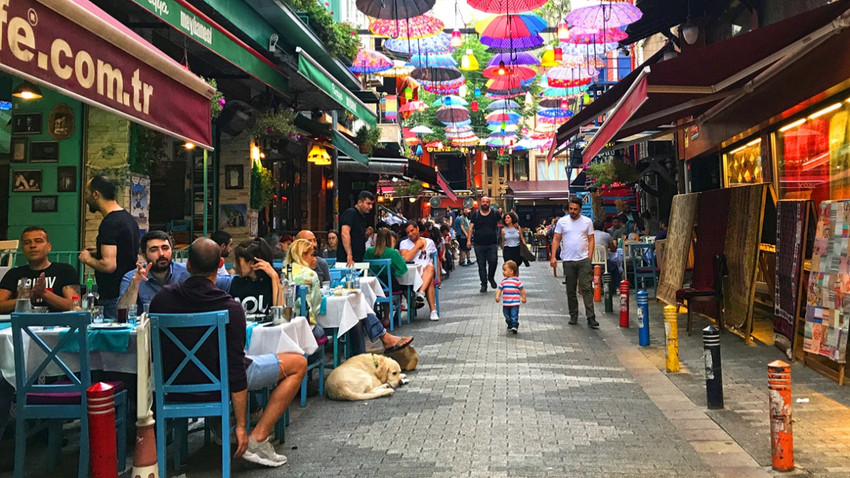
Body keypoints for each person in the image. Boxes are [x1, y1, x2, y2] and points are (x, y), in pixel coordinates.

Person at [149, 238, 305, 467]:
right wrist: (241, 425)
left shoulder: (161, 299)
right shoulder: (230, 307)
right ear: (221, 264)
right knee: (299, 363)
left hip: (174, 383)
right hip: (220, 379)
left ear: (188, 266)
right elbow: (235, 369)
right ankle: (258, 437)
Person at [79, 175, 140, 319]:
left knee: (112, 338)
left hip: (113, 295)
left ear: (96, 194)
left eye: (87, 193)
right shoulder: (128, 218)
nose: (86, 199)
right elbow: (125, 252)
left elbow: (109, 265)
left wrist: (87, 258)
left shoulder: (110, 223)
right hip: (127, 292)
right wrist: (97, 252)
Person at [0, 226, 78, 313]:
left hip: (58, 324)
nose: (32, 246)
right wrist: (28, 297)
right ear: (22, 249)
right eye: (27, 242)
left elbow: (75, 305)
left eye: (38, 241)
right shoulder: (13, 274)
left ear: (49, 247)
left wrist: (44, 294)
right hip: (21, 323)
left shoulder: (65, 270)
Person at [551, 197, 598, 329]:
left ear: (580, 209)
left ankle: (591, 316)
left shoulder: (587, 222)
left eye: (575, 209)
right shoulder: (562, 222)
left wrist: (589, 257)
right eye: (570, 208)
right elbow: (556, 238)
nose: (572, 211)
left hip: (583, 260)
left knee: (587, 288)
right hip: (568, 259)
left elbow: (591, 239)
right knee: (570, 289)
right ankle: (573, 314)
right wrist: (553, 256)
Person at [118, 231, 189, 311]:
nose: (161, 254)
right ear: (144, 256)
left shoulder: (188, 272)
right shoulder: (131, 277)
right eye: (154, 250)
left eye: (165, 248)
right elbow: (123, 313)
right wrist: (135, 284)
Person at [227, 239, 281, 316]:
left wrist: (274, 276)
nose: (235, 265)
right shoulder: (236, 282)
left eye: (238, 261)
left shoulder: (270, 283)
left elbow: (280, 313)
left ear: (251, 263)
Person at [399, 221, 439, 321]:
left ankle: (421, 293)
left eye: (412, 230)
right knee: (429, 281)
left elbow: (436, 258)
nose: (410, 234)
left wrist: (438, 275)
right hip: (412, 274)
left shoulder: (429, 242)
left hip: (428, 270)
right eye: (408, 232)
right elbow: (406, 258)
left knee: (430, 267)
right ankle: (433, 311)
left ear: (417, 229)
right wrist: (417, 246)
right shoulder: (404, 243)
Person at [467, 196, 501, 293]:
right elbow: (470, 227)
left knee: (493, 261)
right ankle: (484, 284)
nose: (485, 203)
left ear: (489, 204)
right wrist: (468, 240)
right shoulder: (476, 214)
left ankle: (491, 277)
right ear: (480, 203)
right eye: (483, 202)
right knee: (481, 265)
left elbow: (503, 222)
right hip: (479, 244)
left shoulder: (494, 214)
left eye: (487, 202)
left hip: (492, 243)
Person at [338, 190, 375, 267]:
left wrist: (366, 235)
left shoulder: (362, 216)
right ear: (360, 202)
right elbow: (345, 233)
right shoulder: (350, 213)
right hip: (347, 260)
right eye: (368, 203)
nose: (370, 207)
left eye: (372, 204)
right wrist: (349, 254)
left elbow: (358, 238)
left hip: (358, 258)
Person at [495, 260, 526, 334]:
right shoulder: (503, 281)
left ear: (511, 271)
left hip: (515, 303)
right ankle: (509, 324)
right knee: (506, 315)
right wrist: (497, 296)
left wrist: (524, 297)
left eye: (505, 270)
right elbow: (500, 289)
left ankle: (514, 325)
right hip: (506, 303)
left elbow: (522, 290)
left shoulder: (517, 281)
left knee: (514, 315)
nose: (503, 272)